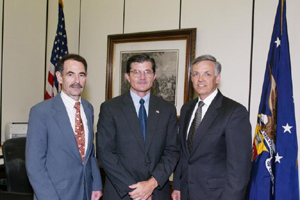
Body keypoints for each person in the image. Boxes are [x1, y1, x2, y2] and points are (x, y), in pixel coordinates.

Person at [96, 53, 180, 200]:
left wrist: (151, 184)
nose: (142, 77)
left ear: (154, 76)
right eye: (136, 72)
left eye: (147, 72)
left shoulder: (167, 109)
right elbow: (105, 153)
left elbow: (172, 151)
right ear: (127, 76)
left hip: (156, 192)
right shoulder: (110, 108)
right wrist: (136, 191)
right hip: (121, 192)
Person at [172, 55, 252, 200]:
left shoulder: (234, 112)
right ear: (191, 78)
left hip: (216, 195)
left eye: (207, 74)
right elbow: (184, 154)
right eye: (196, 74)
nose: (200, 79)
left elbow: (239, 169)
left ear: (217, 78)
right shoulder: (186, 109)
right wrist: (177, 184)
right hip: (185, 192)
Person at [26, 54, 103, 200]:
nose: (76, 81)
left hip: (85, 192)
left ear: (86, 77)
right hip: (54, 194)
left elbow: (90, 152)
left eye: (81, 75)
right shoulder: (41, 112)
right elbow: (35, 166)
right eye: (70, 74)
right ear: (59, 77)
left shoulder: (88, 108)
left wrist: (96, 184)